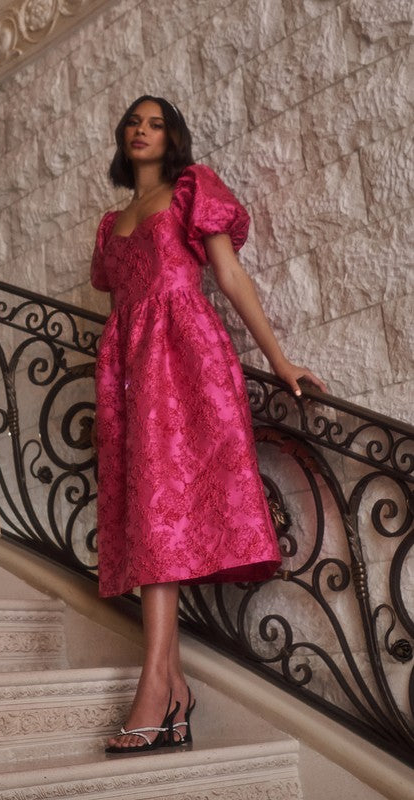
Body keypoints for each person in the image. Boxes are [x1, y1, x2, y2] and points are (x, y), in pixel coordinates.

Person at [90, 95, 326, 753]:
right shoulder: (109, 226)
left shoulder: (192, 190)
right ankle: (172, 687)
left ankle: (156, 688)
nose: (141, 130)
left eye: (155, 123)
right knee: (147, 516)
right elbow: (118, 297)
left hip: (184, 356)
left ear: (173, 138)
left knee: (163, 512)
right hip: (126, 369)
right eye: (133, 122)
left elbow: (228, 275)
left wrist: (279, 361)